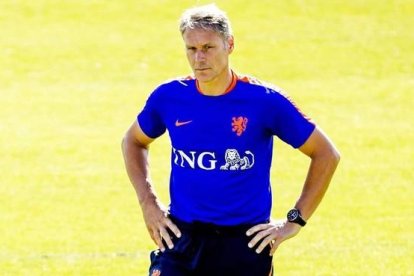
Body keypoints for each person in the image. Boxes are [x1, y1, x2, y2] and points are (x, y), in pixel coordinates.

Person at [122, 4, 340, 276]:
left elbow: (326, 154)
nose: (199, 58)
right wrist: (148, 202)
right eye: (191, 49)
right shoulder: (169, 98)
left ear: (230, 44)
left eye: (208, 47)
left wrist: (293, 221)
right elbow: (133, 141)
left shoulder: (264, 101)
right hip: (182, 236)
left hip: (244, 243)